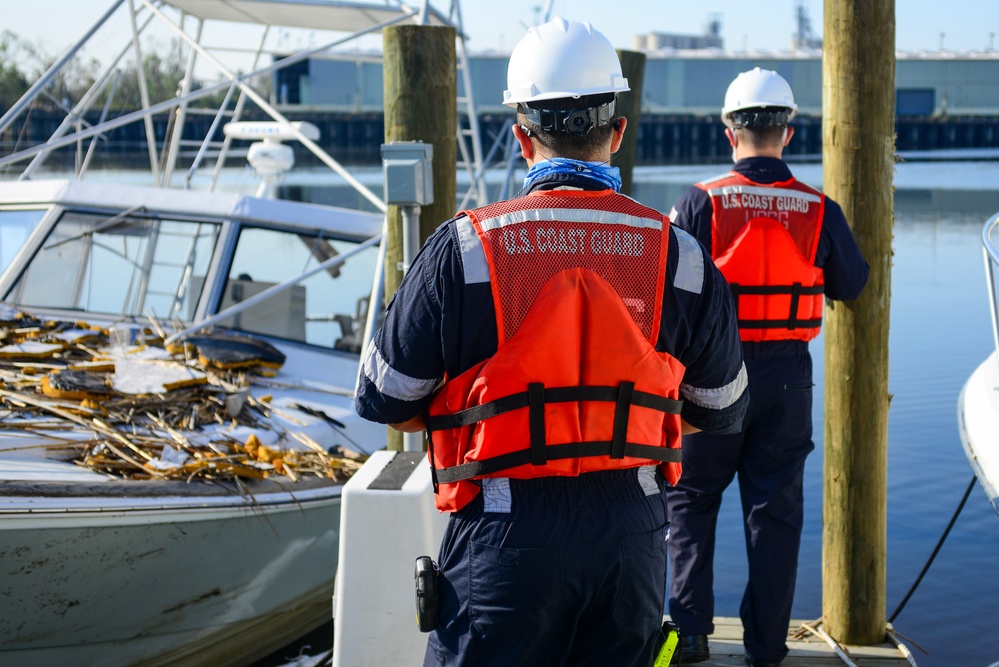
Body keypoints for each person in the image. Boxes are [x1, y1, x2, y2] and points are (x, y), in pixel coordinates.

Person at [355, 17, 748, 667]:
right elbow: (720, 408)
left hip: (504, 531)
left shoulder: (464, 248)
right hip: (633, 533)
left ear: (518, 137)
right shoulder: (678, 255)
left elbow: (385, 397)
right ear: (617, 132)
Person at [663, 67, 870, 667]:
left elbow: (668, 297)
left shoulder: (700, 201)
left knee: (690, 502)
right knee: (774, 513)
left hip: (710, 376)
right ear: (789, 131)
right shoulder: (819, 208)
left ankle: (693, 634)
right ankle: (766, 646)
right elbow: (853, 285)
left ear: (730, 132)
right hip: (786, 379)